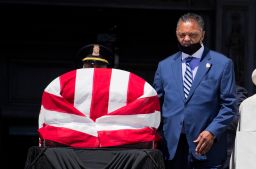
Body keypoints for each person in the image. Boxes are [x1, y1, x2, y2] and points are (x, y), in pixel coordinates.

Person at [153, 13, 237, 169]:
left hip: (206, 146)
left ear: (203, 35)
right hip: (172, 148)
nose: (186, 39)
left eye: (192, 35)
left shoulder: (222, 64)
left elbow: (229, 105)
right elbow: (155, 103)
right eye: (181, 34)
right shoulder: (164, 66)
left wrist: (212, 132)